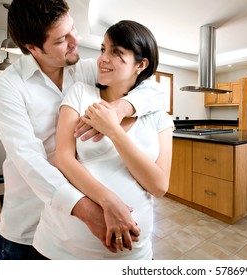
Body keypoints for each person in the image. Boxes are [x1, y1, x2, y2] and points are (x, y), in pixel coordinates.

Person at [0, 0, 165, 260]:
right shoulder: (8, 86)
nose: (77, 40)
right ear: (32, 48)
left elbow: (150, 87)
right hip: (29, 227)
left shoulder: (86, 70)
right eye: (63, 38)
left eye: (73, 28)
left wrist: (120, 108)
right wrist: (90, 208)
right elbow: (27, 159)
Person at [33, 20, 173, 259]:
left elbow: (159, 186)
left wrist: (114, 130)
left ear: (141, 64)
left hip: (133, 256)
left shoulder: (159, 116)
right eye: (103, 49)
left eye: (116, 52)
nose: (102, 59)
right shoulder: (80, 93)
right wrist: (110, 203)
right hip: (64, 250)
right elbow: (64, 159)